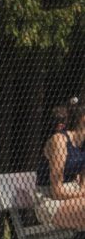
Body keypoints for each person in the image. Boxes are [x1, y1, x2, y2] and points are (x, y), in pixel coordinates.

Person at [33, 97, 85, 229]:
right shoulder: (60, 140)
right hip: (49, 200)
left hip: (75, 197)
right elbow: (57, 191)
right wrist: (81, 193)